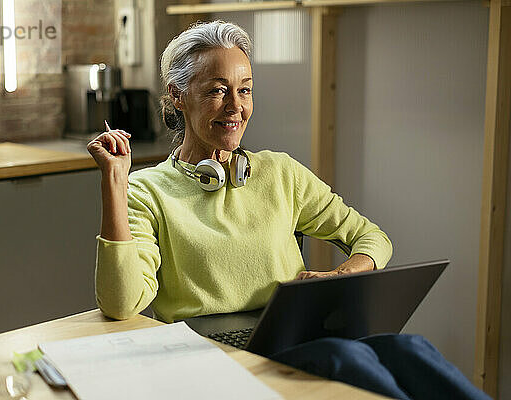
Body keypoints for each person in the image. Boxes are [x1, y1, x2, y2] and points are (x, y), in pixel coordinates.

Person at [87, 20, 490, 400]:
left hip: (294, 334)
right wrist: (114, 182)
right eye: (216, 90)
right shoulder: (145, 190)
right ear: (177, 95)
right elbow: (122, 302)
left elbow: (372, 238)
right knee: (344, 358)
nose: (234, 106)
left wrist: (341, 275)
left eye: (245, 90)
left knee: (412, 349)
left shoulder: (280, 172)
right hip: (211, 354)